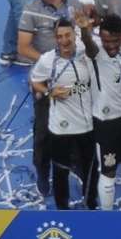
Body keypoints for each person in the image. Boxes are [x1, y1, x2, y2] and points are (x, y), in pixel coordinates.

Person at [18, 0, 88, 197]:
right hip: (46, 79)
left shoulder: (73, 1)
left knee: (78, 120)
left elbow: (84, 26)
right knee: (44, 129)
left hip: (74, 75)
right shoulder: (31, 11)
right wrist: (51, 63)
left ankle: (76, 162)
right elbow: (23, 47)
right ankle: (42, 169)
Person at [29, 18, 98, 210]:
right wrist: (48, 92)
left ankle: (91, 205)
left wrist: (86, 30)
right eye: (59, 36)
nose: (64, 40)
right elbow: (35, 81)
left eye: (67, 35)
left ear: (74, 35)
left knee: (90, 171)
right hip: (60, 128)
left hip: (86, 126)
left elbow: (95, 51)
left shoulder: (86, 53)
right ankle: (63, 211)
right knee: (60, 172)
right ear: (55, 38)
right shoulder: (47, 60)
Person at [83, 14, 121, 211]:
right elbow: (88, 43)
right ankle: (108, 216)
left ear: (120, 36)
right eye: (106, 41)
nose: (110, 45)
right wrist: (84, 30)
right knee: (108, 171)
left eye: (114, 41)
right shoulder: (96, 53)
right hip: (106, 122)